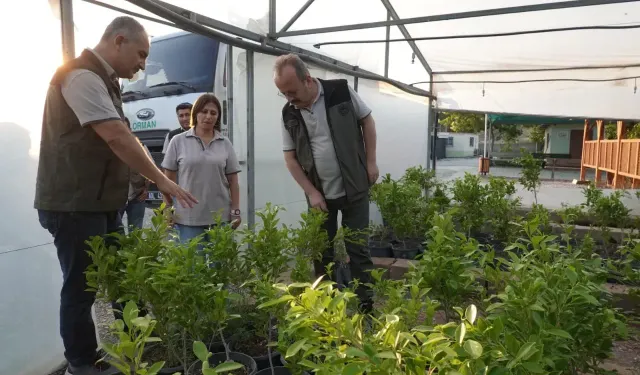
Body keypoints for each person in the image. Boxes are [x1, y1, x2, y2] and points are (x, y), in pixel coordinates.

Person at [34, 16, 197, 375]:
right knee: (81, 286)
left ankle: (135, 344)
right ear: (119, 40)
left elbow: (122, 138)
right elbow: (117, 137)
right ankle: (82, 363)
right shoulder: (80, 76)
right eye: (141, 54)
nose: (142, 65)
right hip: (74, 205)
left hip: (100, 203)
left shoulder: (105, 81)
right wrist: (162, 181)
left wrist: (136, 185)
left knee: (123, 274)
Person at [274, 53, 379, 313]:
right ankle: (328, 307)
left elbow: (367, 120)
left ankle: (365, 305)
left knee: (359, 250)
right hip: (320, 197)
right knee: (322, 253)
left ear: (307, 79)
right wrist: (311, 193)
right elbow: (290, 158)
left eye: (292, 91)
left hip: (354, 186)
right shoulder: (289, 113)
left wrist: (371, 162)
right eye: (283, 93)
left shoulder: (340, 91)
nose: (289, 98)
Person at [162, 93, 241, 246]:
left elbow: (233, 181)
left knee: (220, 267)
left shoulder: (224, 143)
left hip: (220, 218)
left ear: (218, 117)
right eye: (204, 111)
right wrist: (168, 209)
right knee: (191, 267)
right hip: (188, 219)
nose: (208, 116)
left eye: (213, 113)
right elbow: (167, 180)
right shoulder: (178, 141)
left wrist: (235, 210)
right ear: (196, 113)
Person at [119, 117, 151, 232]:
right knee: (115, 234)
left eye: (125, 127)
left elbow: (149, 169)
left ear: (130, 129)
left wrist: (146, 190)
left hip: (137, 196)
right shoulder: (109, 148)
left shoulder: (140, 146)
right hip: (116, 198)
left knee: (136, 233)